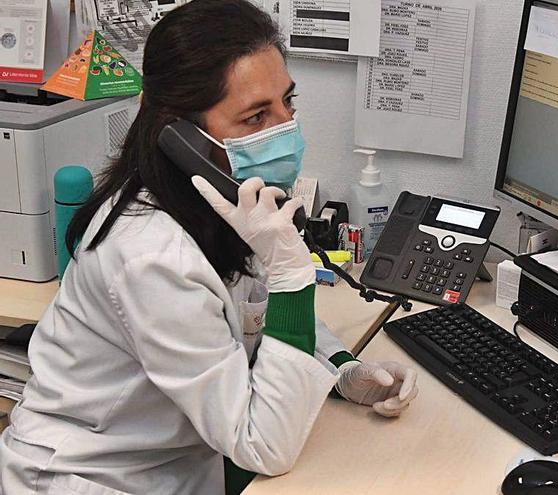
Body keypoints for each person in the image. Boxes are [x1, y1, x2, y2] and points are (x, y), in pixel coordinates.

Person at [0, 1, 419, 493]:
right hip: (96, 477)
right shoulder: (149, 255)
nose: (286, 128)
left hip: (177, 464)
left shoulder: (219, 202)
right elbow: (265, 445)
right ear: (181, 137)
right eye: (255, 117)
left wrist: (342, 370)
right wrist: (293, 274)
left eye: (288, 103)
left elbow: (251, 312)